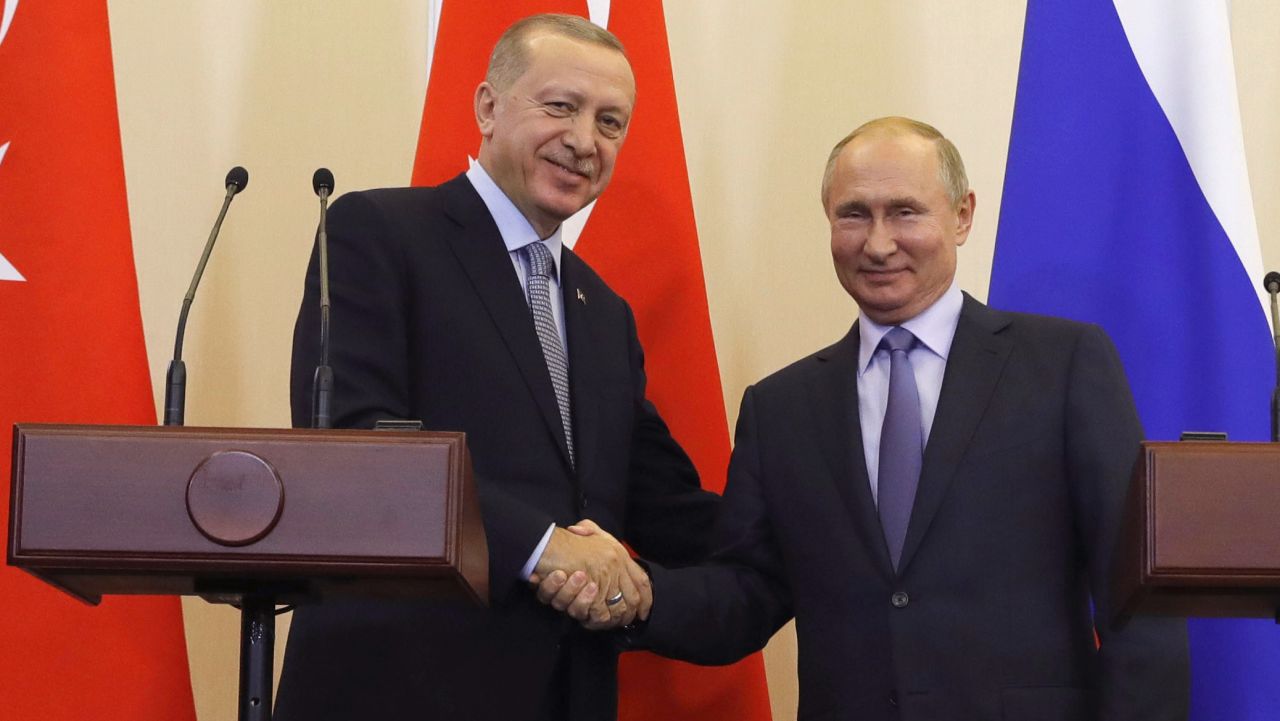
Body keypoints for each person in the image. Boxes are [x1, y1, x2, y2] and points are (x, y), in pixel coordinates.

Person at [538, 117, 1190, 720]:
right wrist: (636, 593)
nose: (878, 243)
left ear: (962, 216)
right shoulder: (782, 407)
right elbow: (747, 593)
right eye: (854, 215)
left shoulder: (1065, 364)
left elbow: (1140, 595)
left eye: (905, 212)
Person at [273, 14, 718, 721]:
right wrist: (544, 547)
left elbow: (665, 505)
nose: (583, 140)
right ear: (487, 106)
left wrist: (820, 520)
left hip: (563, 693)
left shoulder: (603, 313)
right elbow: (360, 443)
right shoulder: (377, 235)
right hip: (398, 690)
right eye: (561, 106)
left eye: (610, 122)